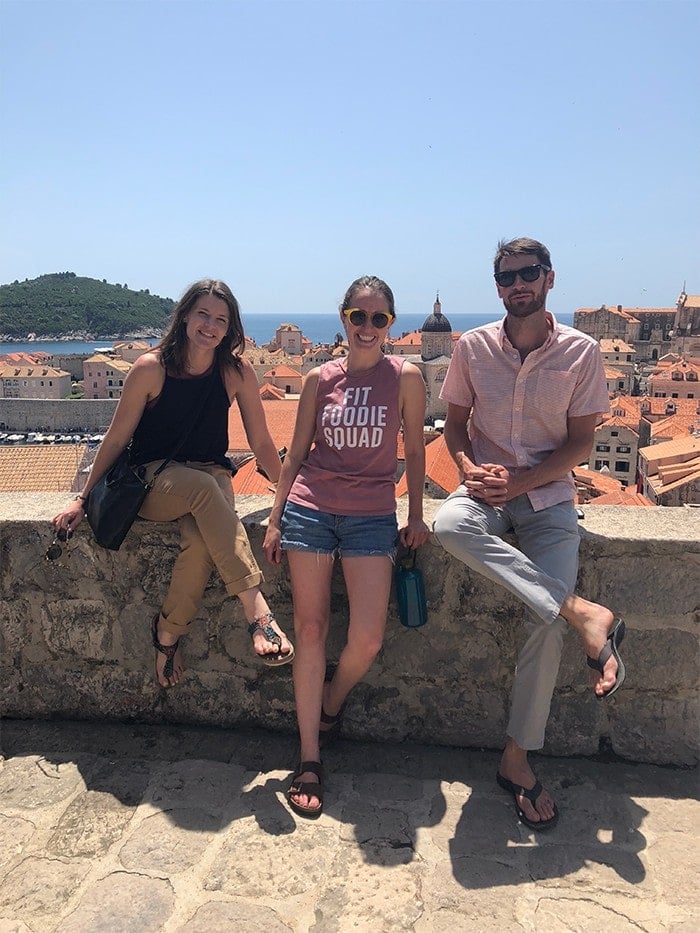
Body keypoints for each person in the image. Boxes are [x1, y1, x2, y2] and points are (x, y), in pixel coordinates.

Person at [433, 237, 626, 830]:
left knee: (542, 621)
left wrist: (519, 484)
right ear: (496, 286)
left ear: (548, 279)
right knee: (447, 524)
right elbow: (455, 427)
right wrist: (468, 470)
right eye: (506, 275)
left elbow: (581, 443)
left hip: (547, 496)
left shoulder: (582, 351)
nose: (517, 283)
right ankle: (586, 614)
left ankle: (516, 760)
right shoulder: (472, 347)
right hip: (484, 492)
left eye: (528, 273)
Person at [52, 279, 294, 688]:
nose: (210, 325)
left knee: (202, 541)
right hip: (154, 478)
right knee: (204, 490)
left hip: (212, 474)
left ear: (230, 327)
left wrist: (289, 492)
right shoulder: (151, 368)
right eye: (203, 314)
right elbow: (116, 438)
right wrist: (82, 498)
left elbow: (262, 441)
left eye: (221, 319)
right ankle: (258, 613)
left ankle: (166, 635)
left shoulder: (236, 371)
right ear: (184, 316)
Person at [263, 275, 430, 818]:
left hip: (371, 516)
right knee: (311, 629)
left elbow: (415, 448)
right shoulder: (318, 378)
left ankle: (332, 703)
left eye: (377, 318)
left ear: (390, 325)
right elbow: (297, 450)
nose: (366, 327)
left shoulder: (405, 378)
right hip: (311, 509)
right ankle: (309, 756)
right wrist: (274, 516)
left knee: (368, 639)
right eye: (358, 316)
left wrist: (417, 514)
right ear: (343, 319)